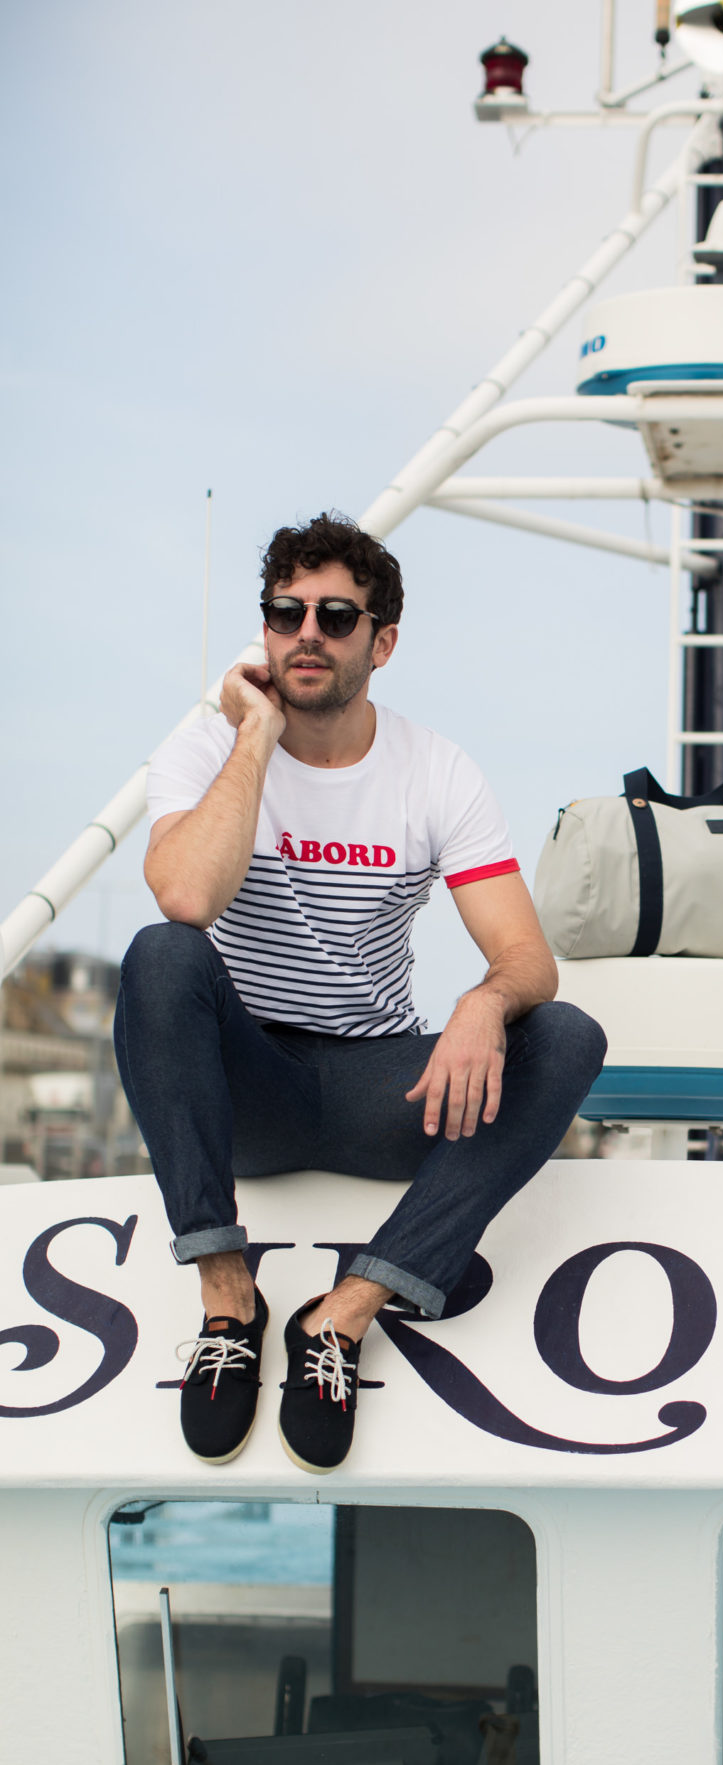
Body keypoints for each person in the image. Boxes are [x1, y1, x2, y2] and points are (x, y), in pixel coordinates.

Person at [115, 512, 606, 1474]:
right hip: (250, 1085)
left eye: (336, 617)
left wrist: (481, 1005)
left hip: (385, 1087)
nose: (307, 634)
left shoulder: (436, 770)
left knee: (565, 1034)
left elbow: (525, 958)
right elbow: (186, 898)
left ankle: (342, 1317)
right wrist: (256, 737)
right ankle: (228, 1301)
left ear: (381, 643)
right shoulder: (204, 747)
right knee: (161, 954)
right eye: (285, 613)